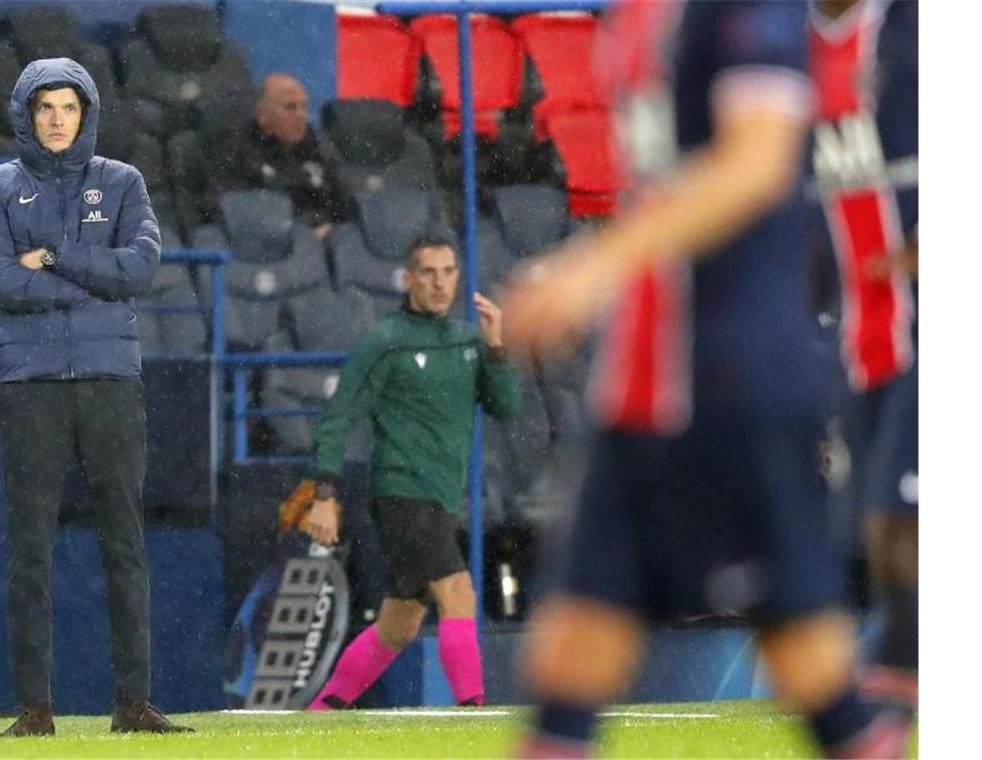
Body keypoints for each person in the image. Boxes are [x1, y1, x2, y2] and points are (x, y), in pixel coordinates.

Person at [503, 1, 911, 757]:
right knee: (567, 654)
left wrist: (594, 265)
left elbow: (757, 162)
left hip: (734, 379)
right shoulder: (633, 17)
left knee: (809, 659)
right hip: (642, 386)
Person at [0, 58, 191, 737]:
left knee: (124, 545)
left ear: (87, 113)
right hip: (29, 387)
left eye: (69, 107)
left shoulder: (123, 182)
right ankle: (35, 710)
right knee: (29, 552)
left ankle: (134, 705)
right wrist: (95, 281)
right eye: (46, 109)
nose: (58, 119)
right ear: (26, 115)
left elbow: (141, 269)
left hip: (109, 382)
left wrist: (56, 257)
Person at [301, 235, 521, 710]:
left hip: (440, 497)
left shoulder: (468, 338)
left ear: (459, 277)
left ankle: (324, 709)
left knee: (398, 625)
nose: (439, 283)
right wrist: (324, 492)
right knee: (458, 592)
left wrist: (498, 347)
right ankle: (474, 710)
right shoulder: (385, 341)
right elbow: (340, 415)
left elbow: (507, 406)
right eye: (428, 273)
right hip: (401, 492)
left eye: (448, 272)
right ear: (407, 279)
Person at [808, 0, 919, 708]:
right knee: (880, 517)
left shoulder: (913, 29)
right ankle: (903, 656)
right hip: (858, 332)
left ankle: (904, 662)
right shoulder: (781, 45)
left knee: (902, 510)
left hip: (930, 324)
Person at [217, 73, 347, 238]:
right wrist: (306, 233)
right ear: (262, 114)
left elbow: (345, 205)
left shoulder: (319, 149)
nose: (301, 116)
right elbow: (244, 214)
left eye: (304, 107)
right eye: (290, 107)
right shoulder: (237, 153)